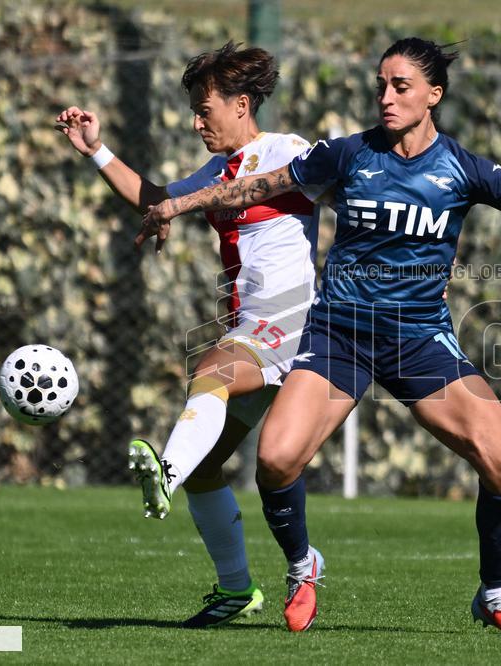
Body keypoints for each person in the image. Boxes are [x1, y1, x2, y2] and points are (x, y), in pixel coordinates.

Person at [138, 37, 501, 636]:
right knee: (274, 460)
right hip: (339, 336)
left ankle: (495, 596)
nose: (386, 96)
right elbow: (255, 186)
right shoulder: (347, 154)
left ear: (434, 95)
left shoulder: (462, 168)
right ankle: (303, 568)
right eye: (381, 84)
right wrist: (177, 205)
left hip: (419, 341)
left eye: (400, 86)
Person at [56, 41, 325, 628]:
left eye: (205, 110)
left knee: (211, 370)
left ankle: (165, 475)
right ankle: (238, 588)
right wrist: (96, 150)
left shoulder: (289, 151)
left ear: (243, 104)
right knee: (220, 465)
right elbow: (156, 202)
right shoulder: (215, 171)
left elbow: (346, 192)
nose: (196, 121)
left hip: (292, 324)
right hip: (250, 330)